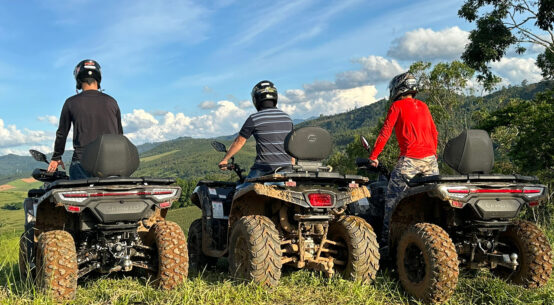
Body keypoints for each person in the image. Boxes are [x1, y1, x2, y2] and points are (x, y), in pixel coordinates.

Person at [367, 72, 438, 245]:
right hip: (431, 161)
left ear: (399, 88)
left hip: (410, 162)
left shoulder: (397, 106)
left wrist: (373, 156)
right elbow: (434, 133)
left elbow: (385, 133)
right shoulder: (423, 106)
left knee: (391, 202)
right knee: (432, 202)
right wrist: (432, 155)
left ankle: (386, 245)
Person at [47, 59, 123, 180]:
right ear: (98, 78)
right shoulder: (112, 102)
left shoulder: (71, 102)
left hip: (82, 161)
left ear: (78, 79)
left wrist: (56, 157)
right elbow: (120, 135)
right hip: (112, 162)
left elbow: (62, 133)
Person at [218, 80, 293, 183]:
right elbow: (292, 144)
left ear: (256, 99)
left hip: (263, 169)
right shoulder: (286, 118)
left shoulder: (254, 118)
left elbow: (239, 142)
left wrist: (225, 159)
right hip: (287, 169)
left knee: (242, 190)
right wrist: (292, 165)